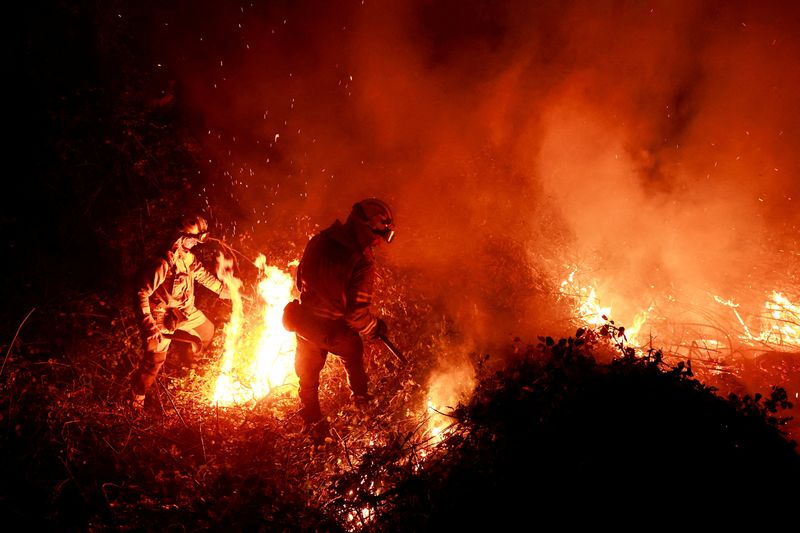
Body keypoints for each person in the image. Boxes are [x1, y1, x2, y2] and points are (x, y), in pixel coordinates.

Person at [284, 198, 395, 440]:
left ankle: (313, 426)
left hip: (305, 324)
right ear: (366, 226)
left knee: (307, 377)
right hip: (334, 331)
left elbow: (299, 277)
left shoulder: (319, 240)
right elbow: (356, 315)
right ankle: (363, 408)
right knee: (353, 353)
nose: (377, 242)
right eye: (378, 234)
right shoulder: (362, 261)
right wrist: (374, 327)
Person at [129, 213, 230, 409]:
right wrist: (149, 325)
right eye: (193, 239)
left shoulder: (188, 257)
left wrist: (224, 291)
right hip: (160, 314)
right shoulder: (163, 263)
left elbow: (202, 275)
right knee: (153, 362)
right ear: (182, 238)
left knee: (207, 331)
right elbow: (141, 292)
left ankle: (189, 371)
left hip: (185, 311)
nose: (196, 244)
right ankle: (135, 404)